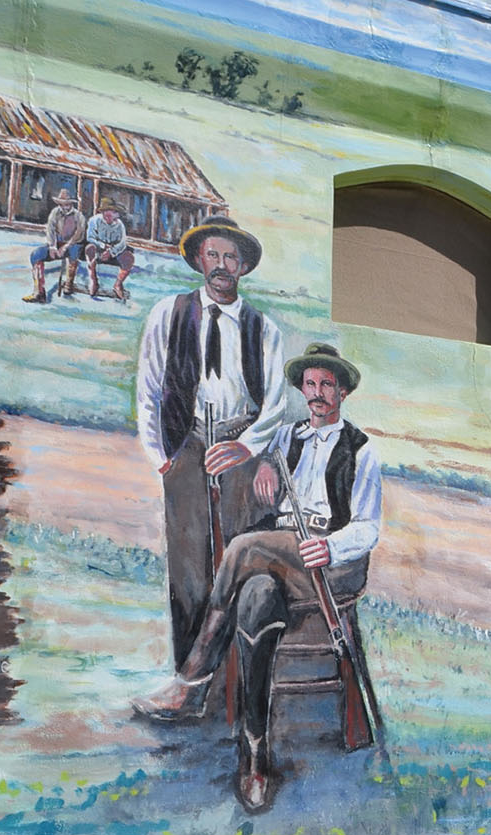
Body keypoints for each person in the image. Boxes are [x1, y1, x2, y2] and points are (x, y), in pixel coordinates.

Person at [154, 344, 380, 813]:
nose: (317, 394)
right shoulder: (288, 437)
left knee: (242, 547)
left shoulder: (362, 449)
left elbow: (368, 526)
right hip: (282, 553)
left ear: (342, 392)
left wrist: (332, 546)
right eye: (311, 385)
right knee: (255, 595)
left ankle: (193, 678)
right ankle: (255, 756)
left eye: (327, 385)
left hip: (330, 560)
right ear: (303, 389)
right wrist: (263, 467)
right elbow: (268, 471)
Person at [132, 215, 290, 721]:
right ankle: (187, 687)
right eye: (214, 256)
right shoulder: (168, 313)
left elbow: (276, 407)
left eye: (231, 258)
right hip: (187, 445)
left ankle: (234, 686)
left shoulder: (263, 328)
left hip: (241, 449)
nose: (222, 266)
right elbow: (150, 386)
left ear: (242, 266)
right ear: (201, 260)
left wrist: (246, 448)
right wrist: (161, 457)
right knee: (188, 567)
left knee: (239, 564)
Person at [23, 189, 86, 304]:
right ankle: (39, 292)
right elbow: (50, 230)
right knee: (36, 255)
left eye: (66, 204)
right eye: (61, 204)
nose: (64, 206)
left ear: (71, 203)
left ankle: (68, 284)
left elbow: (79, 234)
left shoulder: (78, 216)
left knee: (75, 250)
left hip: (72, 244)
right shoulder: (55, 213)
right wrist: (52, 246)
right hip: (57, 244)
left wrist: (66, 246)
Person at [85, 197, 136, 301]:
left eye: (111, 212)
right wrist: (103, 246)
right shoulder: (94, 221)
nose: (108, 215)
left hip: (114, 252)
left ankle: (118, 284)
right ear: (102, 212)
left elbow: (122, 243)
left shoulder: (120, 225)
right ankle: (93, 280)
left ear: (115, 213)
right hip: (99, 249)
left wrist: (111, 252)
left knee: (129, 258)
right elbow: (90, 237)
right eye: (105, 212)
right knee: (89, 249)